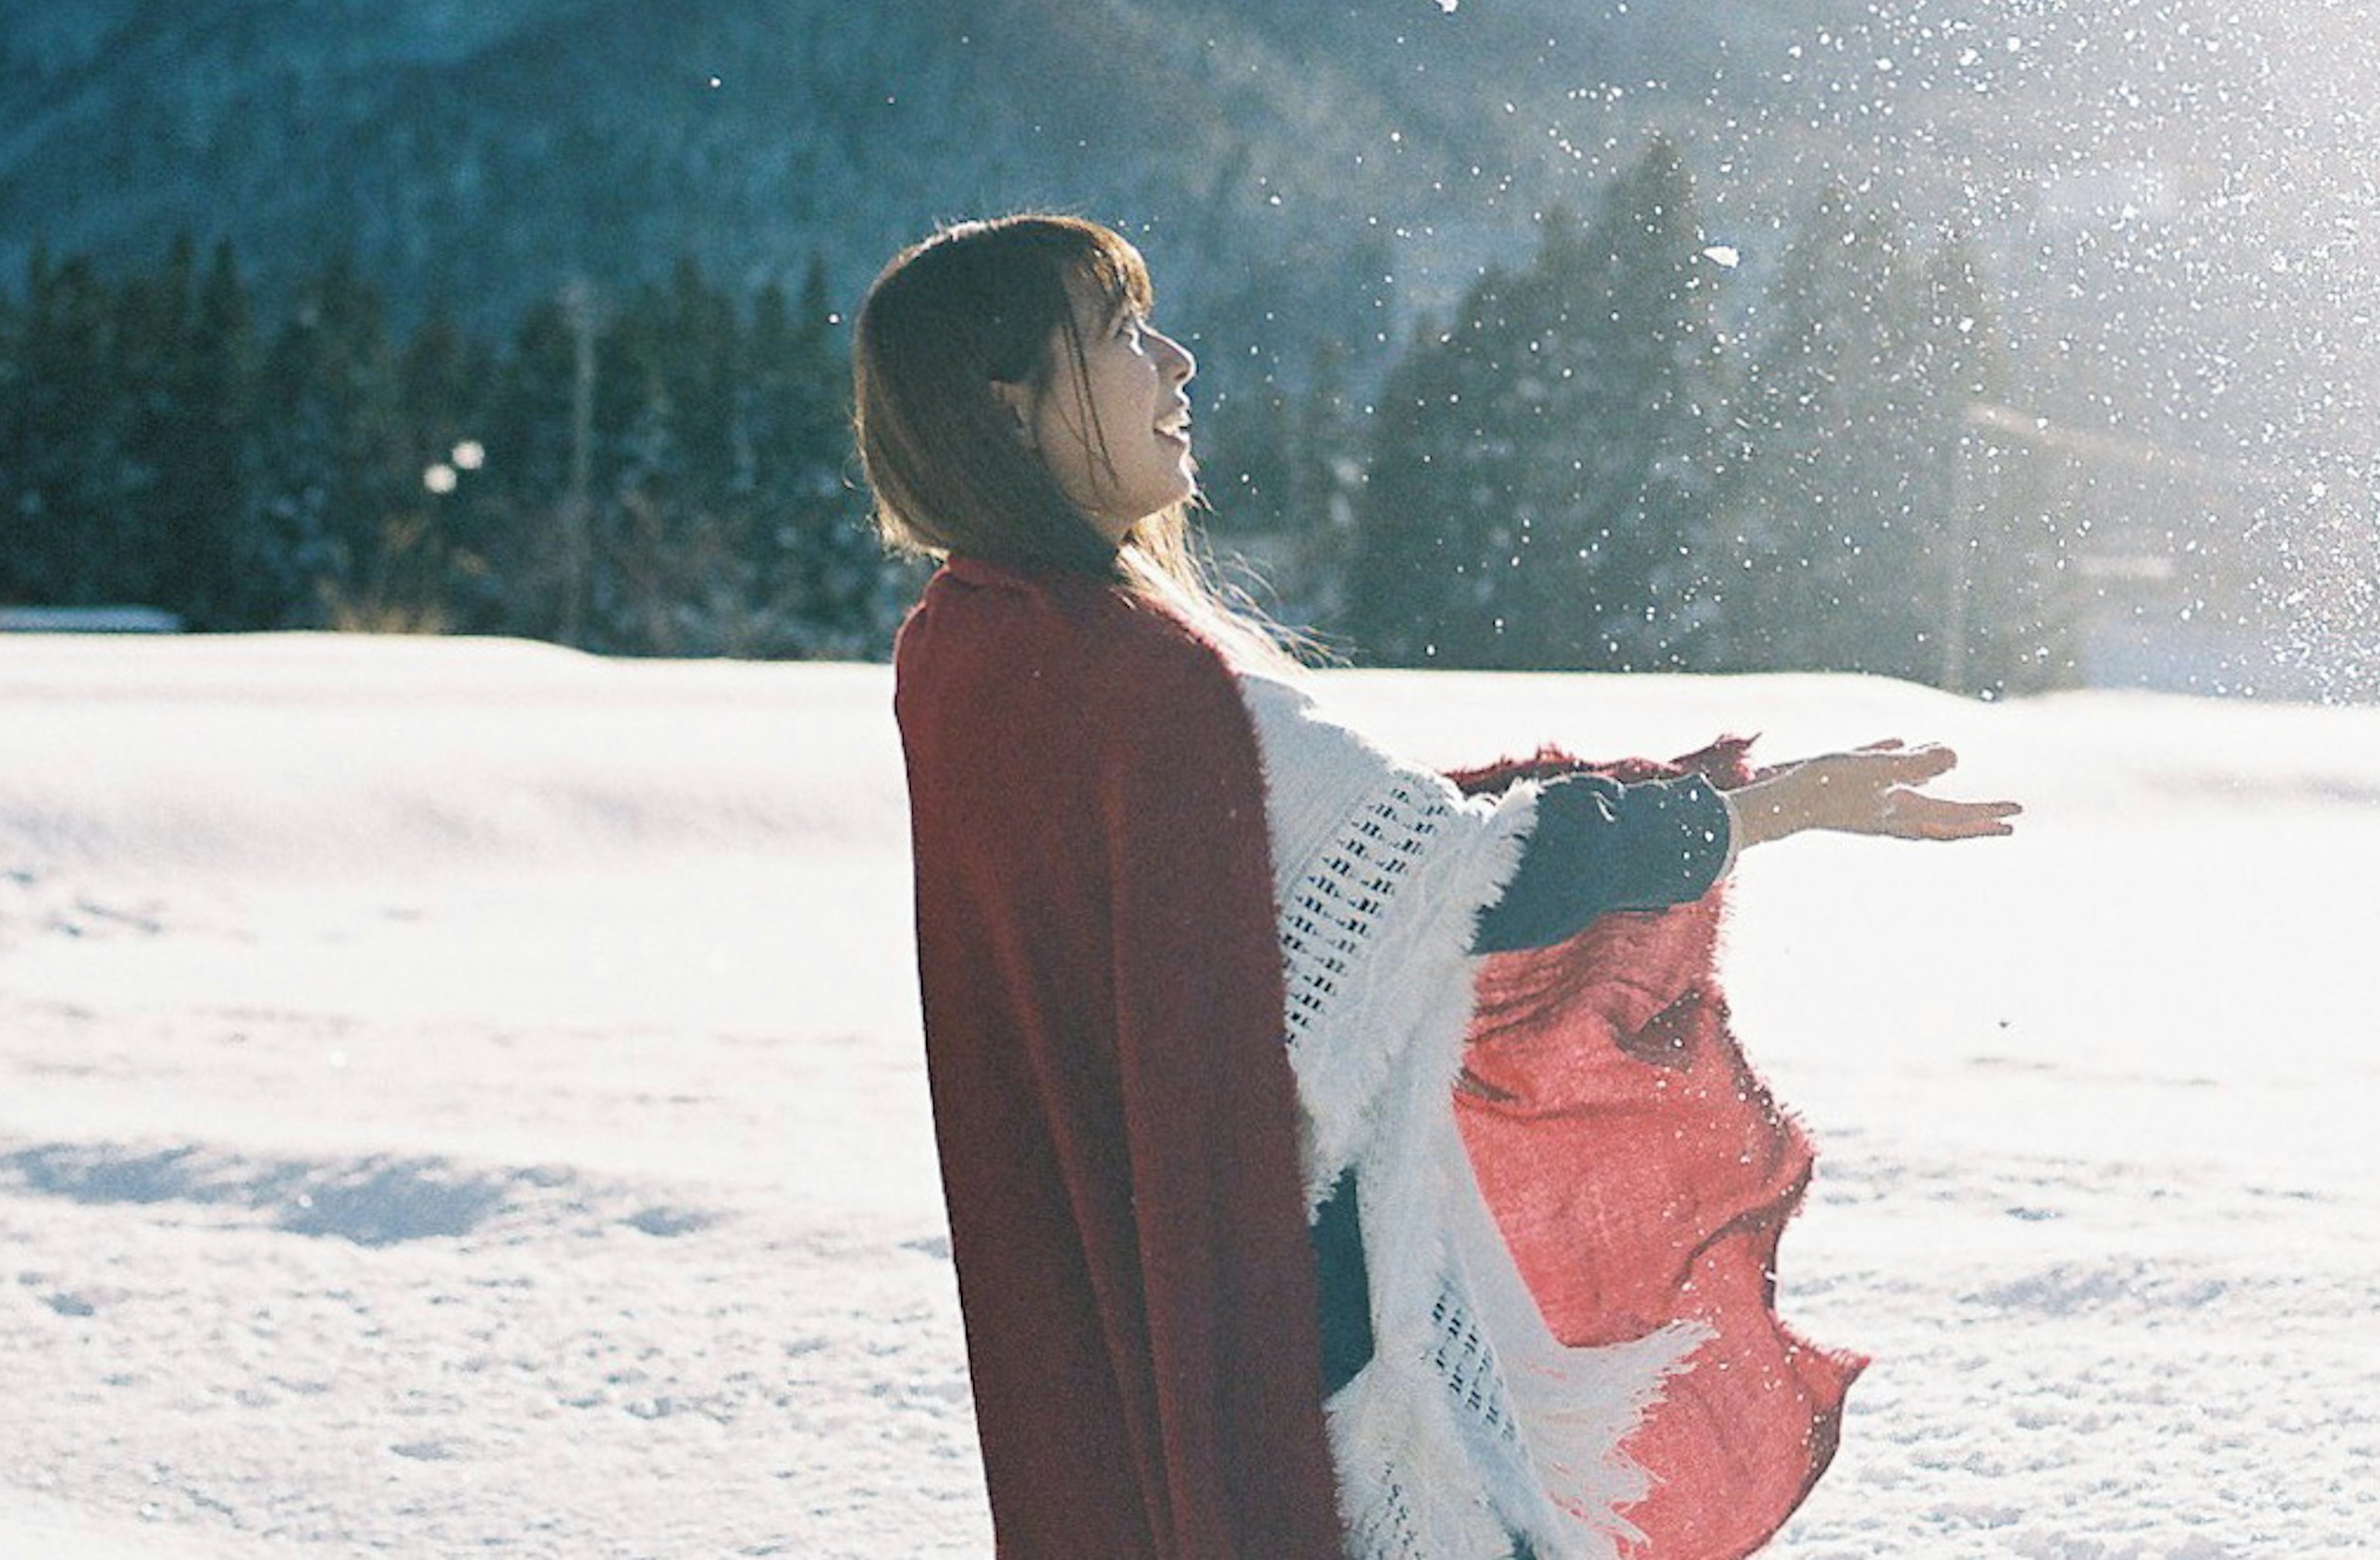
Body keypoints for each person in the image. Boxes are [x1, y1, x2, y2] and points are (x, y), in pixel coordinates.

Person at [855, 213, 2018, 1560]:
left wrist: (1656, 789)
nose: (1175, 363)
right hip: (1302, 1338)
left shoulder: (971, 641)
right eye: (1118, 334)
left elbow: (1340, 853)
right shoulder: (1141, 688)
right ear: (1012, 408)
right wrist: (1761, 813)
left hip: (1134, 1307)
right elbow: (1470, 877)